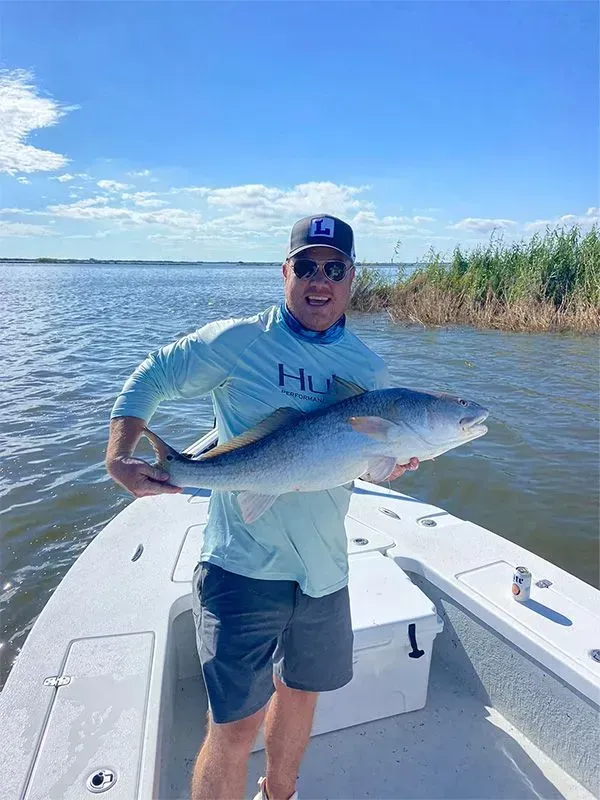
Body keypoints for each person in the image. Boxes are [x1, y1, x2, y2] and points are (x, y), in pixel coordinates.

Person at [105, 215, 419, 800]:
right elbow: (153, 374)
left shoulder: (367, 369)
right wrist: (119, 455)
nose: (319, 280)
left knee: (301, 695)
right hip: (242, 567)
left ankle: (279, 795)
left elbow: (365, 460)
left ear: (352, 278)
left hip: (326, 572)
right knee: (235, 726)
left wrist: (392, 462)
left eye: (334, 268)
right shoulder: (240, 340)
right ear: (285, 273)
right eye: (306, 266)